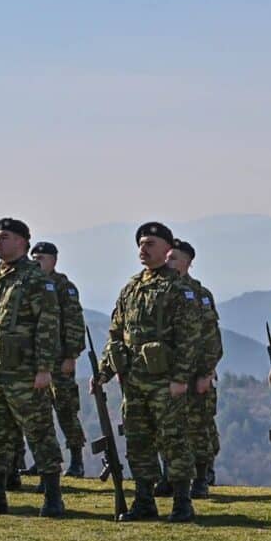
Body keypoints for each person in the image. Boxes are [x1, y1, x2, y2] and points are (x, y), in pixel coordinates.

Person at [91, 222, 206, 523]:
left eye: (150, 243)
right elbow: (116, 334)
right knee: (138, 440)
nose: (143, 248)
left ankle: (182, 502)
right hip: (134, 381)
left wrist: (180, 378)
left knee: (173, 440)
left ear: (167, 248)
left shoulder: (178, 288)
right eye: (141, 243)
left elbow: (189, 338)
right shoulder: (131, 288)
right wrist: (103, 372)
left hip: (165, 380)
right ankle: (144, 501)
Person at [0, 218, 66, 517]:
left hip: (25, 371)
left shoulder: (35, 279)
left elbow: (48, 325)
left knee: (39, 431)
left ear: (21, 242)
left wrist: (44, 369)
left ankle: (53, 495)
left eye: (4, 237)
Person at [13, 241, 87, 488]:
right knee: (36, 413)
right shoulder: (28, 284)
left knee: (65, 408)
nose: (37, 261)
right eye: (34, 257)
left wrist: (71, 356)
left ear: (54, 260)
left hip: (59, 358)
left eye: (42, 257)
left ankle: (76, 460)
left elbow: (75, 323)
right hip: (32, 360)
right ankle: (41, 459)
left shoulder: (64, 287)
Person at [165, 238, 223, 500]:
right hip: (166, 373)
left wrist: (206, 372)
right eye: (167, 257)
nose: (168, 261)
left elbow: (211, 338)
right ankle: (170, 477)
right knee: (167, 427)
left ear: (188, 262)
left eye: (174, 258)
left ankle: (201, 478)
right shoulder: (159, 290)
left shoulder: (199, 294)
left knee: (198, 427)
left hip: (195, 374)